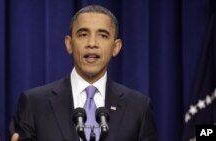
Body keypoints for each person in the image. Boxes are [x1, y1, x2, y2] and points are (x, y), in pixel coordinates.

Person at [10, 4, 158, 141]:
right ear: (69, 44)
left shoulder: (138, 108)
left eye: (102, 35)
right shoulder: (34, 103)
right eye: (83, 34)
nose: (92, 43)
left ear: (116, 47)